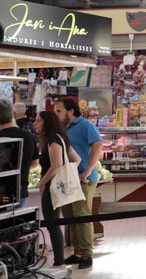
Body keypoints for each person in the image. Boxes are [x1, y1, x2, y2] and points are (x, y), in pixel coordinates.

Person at [55, 98, 100, 265]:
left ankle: (87, 254)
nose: (56, 114)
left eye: (59, 111)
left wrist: (88, 169)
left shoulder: (85, 125)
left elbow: (97, 145)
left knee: (82, 215)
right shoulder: (60, 129)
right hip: (67, 179)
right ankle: (77, 251)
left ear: (71, 111)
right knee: (70, 215)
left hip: (84, 178)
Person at [35, 110, 79, 267]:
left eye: (38, 121)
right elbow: (77, 159)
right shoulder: (61, 138)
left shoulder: (53, 140)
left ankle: (59, 260)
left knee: (52, 223)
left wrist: (43, 182)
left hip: (52, 188)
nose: (35, 124)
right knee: (54, 223)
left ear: (47, 123)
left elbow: (57, 164)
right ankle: (59, 259)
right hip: (58, 186)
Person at [0, 100, 38, 205]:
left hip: (2, 191)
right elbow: (35, 162)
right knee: (19, 221)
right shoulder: (28, 136)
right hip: (21, 190)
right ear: (12, 114)